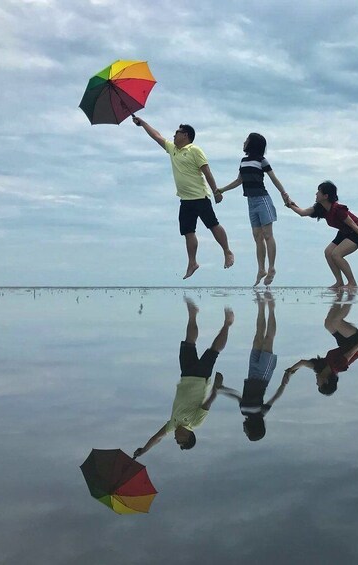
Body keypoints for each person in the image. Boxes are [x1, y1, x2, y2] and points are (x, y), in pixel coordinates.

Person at [132, 117, 234, 279]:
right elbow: (157, 136)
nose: (174, 135)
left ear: (185, 135)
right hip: (185, 201)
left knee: (213, 225)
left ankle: (227, 251)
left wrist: (216, 191)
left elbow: (207, 172)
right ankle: (192, 263)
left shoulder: (194, 150)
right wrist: (143, 123)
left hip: (200, 197)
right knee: (188, 232)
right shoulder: (173, 149)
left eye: (177, 133)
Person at [133, 298, 233, 457]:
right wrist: (215, 390)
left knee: (189, 342)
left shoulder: (172, 424)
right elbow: (207, 404)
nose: (175, 439)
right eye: (179, 441)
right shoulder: (195, 423)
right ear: (187, 437)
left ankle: (193, 314)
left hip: (186, 375)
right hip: (201, 378)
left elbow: (157, 437)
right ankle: (228, 324)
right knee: (214, 350)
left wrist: (144, 450)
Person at [218, 133, 290, 286]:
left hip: (263, 200)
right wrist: (222, 189)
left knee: (268, 235)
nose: (244, 142)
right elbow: (239, 180)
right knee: (257, 237)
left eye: (247, 140)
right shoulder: (243, 161)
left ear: (253, 144)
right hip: (250, 202)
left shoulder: (261, 161)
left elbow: (273, 178)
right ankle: (261, 269)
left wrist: (284, 194)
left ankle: (271, 268)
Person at [217, 292, 289, 441]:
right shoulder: (261, 412)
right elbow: (275, 396)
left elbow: (238, 396)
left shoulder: (243, 411)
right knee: (268, 340)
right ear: (254, 429)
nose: (244, 431)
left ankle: (261, 306)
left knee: (257, 337)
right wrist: (284, 383)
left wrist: (222, 390)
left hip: (251, 374)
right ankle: (271, 308)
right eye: (247, 432)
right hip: (263, 375)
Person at [286, 181, 358, 289]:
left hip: (357, 231)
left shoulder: (338, 209)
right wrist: (290, 204)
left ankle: (352, 283)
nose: (316, 194)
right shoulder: (320, 208)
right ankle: (339, 282)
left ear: (326, 196)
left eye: (318, 192)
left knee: (336, 254)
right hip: (344, 232)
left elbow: (353, 225)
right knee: (328, 252)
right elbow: (302, 212)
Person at [285, 294, 358, 395]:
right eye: (318, 384)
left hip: (345, 344)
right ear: (326, 381)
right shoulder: (338, 367)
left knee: (328, 323)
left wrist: (290, 371)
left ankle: (340, 294)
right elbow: (352, 351)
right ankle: (351, 294)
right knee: (336, 322)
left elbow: (303, 362)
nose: (316, 382)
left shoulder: (320, 367)